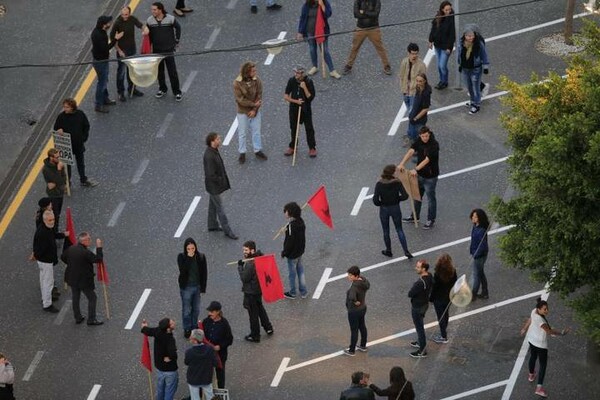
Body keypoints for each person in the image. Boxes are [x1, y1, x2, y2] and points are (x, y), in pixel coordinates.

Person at [520, 298, 570, 398]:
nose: (546, 311)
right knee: (543, 365)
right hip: (540, 345)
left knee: (533, 357)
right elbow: (549, 331)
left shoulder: (534, 311)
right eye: (544, 309)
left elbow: (530, 319)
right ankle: (539, 388)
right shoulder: (541, 321)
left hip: (531, 340)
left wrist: (524, 329)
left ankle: (531, 375)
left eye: (547, 308)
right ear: (539, 309)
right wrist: (562, 333)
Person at [399, 126, 440, 230]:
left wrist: (416, 169)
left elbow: (427, 160)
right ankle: (414, 216)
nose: (425, 138)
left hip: (430, 177)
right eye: (423, 136)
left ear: (429, 134)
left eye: (426, 136)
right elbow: (411, 151)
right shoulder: (419, 141)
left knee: (431, 199)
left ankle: (431, 219)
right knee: (417, 196)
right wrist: (402, 164)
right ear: (420, 136)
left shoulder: (434, 145)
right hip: (420, 175)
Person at [53, 98, 99, 187]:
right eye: (64, 107)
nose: (65, 109)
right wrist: (59, 130)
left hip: (78, 144)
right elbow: (56, 127)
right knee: (67, 165)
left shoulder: (80, 114)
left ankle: (83, 179)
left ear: (72, 107)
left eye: (67, 107)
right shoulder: (61, 117)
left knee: (80, 163)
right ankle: (67, 182)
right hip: (67, 145)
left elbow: (86, 126)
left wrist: (83, 138)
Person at [61, 232, 104, 326]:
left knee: (76, 297)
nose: (90, 240)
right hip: (84, 280)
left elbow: (63, 257)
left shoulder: (71, 248)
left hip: (72, 278)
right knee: (92, 298)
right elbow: (98, 259)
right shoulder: (86, 252)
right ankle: (91, 319)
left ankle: (78, 317)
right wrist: (99, 247)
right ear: (84, 241)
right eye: (89, 239)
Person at [372, 164, 413, 259]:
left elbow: (375, 200)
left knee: (386, 230)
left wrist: (381, 203)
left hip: (384, 209)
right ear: (392, 173)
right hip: (395, 208)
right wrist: (397, 199)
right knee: (399, 229)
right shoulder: (397, 182)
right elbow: (405, 196)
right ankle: (406, 251)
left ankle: (388, 250)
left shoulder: (379, 183)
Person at [203, 132, 238, 240]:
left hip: (212, 186)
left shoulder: (212, 151)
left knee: (213, 205)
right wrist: (220, 180)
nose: (220, 140)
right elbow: (210, 174)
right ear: (212, 142)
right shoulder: (210, 156)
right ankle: (228, 231)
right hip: (214, 187)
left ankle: (212, 225)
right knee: (220, 209)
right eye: (218, 139)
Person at [237, 240, 274, 342]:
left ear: (252, 250)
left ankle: (255, 335)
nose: (244, 252)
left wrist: (240, 267)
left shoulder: (250, 264)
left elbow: (245, 278)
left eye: (246, 250)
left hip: (250, 292)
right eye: (243, 250)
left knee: (253, 314)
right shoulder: (259, 258)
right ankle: (268, 327)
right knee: (260, 309)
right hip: (258, 290)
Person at [343, 0, 391, 76]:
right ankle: (349, 65)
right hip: (361, 28)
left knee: (380, 47)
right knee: (355, 47)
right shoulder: (358, 1)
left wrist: (363, 12)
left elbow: (376, 14)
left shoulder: (376, 1)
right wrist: (368, 14)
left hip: (373, 28)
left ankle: (386, 65)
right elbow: (356, 14)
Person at [146, 2, 183, 101]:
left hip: (168, 50)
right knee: (160, 72)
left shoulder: (170, 19)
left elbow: (178, 27)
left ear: (160, 10)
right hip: (156, 50)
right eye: (152, 9)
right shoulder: (149, 21)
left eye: (154, 10)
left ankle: (177, 92)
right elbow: (148, 35)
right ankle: (162, 89)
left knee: (172, 72)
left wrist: (177, 40)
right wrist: (148, 48)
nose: (152, 11)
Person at [32, 210, 67, 313]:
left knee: (43, 280)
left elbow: (54, 235)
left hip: (43, 261)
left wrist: (63, 234)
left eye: (53, 219)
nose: (52, 222)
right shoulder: (43, 233)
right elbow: (39, 249)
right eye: (50, 220)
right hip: (46, 261)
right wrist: (37, 255)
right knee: (48, 282)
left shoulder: (46, 228)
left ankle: (45, 298)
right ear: (44, 220)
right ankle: (47, 304)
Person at [296, 0, 341, 79]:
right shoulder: (306, 5)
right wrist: (300, 32)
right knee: (312, 49)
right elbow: (302, 18)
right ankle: (314, 66)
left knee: (325, 51)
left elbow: (328, 14)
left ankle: (332, 70)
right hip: (309, 31)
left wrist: (322, 5)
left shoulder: (324, 2)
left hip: (321, 32)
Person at [233, 61, 268, 163]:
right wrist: (253, 105)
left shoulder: (257, 80)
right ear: (247, 72)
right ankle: (242, 152)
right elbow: (240, 100)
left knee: (256, 132)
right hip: (242, 112)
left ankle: (257, 150)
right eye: (253, 71)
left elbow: (259, 95)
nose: (255, 72)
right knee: (242, 133)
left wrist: (254, 110)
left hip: (255, 110)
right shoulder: (237, 83)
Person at [110, 6, 147, 101]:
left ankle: (132, 89)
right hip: (122, 51)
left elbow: (140, 25)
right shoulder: (117, 23)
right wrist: (119, 50)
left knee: (132, 71)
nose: (124, 16)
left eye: (126, 15)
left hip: (132, 49)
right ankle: (120, 92)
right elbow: (112, 38)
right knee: (121, 73)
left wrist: (145, 29)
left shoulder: (132, 19)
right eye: (122, 15)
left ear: (129, 13)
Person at [283, 66, 318, 158]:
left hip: (305, 109)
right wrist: (296, 101)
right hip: (294, 108)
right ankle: (293, 146)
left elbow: (310, 97)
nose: (295, 75)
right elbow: (286, 96)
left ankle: (312, 148)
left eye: (297, 73)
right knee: (294, 128)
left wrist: (305, 87)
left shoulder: (309, 82)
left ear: (302, 74)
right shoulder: (291, 80)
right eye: (295, 72)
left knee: (309, 128)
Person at [91, 16, 123, 113]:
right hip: (101, 62)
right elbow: (106, 48)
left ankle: (105, 99)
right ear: (104, 24)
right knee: (102, 83)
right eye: (109, 23)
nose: (110, 24)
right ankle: (98, 105)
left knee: (104, 80)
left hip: (101, 59)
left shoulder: (99, 31)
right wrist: (115, 39)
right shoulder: (99, 35)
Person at [141, 318, 179, 400]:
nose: (174, 323)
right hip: (170, 370)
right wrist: (170, 357)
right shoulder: (170, 339)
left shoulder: (157, 331)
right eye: (172, 323)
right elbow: (173, 354)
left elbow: (148, 331)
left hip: (159, 367)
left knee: (160, 389)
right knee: (169, 391)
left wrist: (144, 327)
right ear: (168, 328)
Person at [177, 238, 208, 339]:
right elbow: (183, 271)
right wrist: (189, 259)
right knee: (186, 310)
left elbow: (204, 273)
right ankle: (187, 328)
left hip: (197, 286)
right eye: (188, 248)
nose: (191, 250)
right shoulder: (181, 257)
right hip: (186, 287)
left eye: (193, 248)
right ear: (185, 249)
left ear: (195, 247)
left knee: (196, 309)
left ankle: (194, 326)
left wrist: (203, 288)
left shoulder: (201, 257)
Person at [457, 23, 489, 114]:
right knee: (469, 87)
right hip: (465, 68)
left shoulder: (478, 44)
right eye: (468, 36)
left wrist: (485, 66)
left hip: (476, 69)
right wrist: (460, 65)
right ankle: (472, 101)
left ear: (475, 35)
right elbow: (460, 55)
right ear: (464, 35)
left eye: (471, 36)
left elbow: (484, 55)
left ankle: (477, 104)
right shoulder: (461, 42)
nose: (470, 38)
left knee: (476, 87)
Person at [200, 301, 233, 388]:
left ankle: (220, 391)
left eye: (212, 312)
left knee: (220, 372)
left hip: (219, 354)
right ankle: (204, 391)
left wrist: (220, 346)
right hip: (207, 352)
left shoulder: (224, 323)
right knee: (205, 372)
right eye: (209, 311)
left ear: (218, 312)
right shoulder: (206, 321)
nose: (209, 313)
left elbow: (229, 339)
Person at [399, 43, 427, 146]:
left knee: (411, 115)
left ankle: (411, 136)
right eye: (412, 53)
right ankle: (413, 134)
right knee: (411, 114)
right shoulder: (404, 62)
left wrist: (418, 93)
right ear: (408, 53)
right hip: (406, 92)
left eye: (416, 53)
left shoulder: (421, 65)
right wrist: (403, 89)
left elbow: (423, 80)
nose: (414, 55)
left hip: (414, 94)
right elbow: (401, 76)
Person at [281, 202, 308, 299]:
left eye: (286, 211)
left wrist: (284, 252)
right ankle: (304, 292)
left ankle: (292, 292)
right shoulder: (301, 222)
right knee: (300, 271)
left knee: (292, 274)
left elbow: (289, 242)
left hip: (292, 255)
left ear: (290, 213)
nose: (285, 213)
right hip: (300, 252)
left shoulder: (291, 226)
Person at [429, 253, 457, 344]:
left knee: (440, 317)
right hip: (448, 297)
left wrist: (431, 298)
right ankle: (444, 330)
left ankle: (443, 336)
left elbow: (434, 288)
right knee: (446, 314)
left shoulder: (437, 274)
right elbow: (455, 284)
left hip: (438, 298)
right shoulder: (453, 272)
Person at [408, 259, 433, 358]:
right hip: (424, 304)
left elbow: (410, 293)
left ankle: (422, 350)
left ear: (423, 269)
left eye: (418, 267)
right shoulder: (430, 276)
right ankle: (420, 342)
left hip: (417, 306)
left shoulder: (420, 283)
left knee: (419, 328)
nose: (416, 268)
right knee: (420, 325)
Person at [428, 1, 456, 90]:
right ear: (442, 9)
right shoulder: (438, 17)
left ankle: (445, 81)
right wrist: (430, 40)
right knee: (439, 65)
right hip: (438, 45)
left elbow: (452, 34)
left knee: (442, 65)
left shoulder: (451, 18)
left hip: (445, 47)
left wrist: (449, 47)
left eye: (449, 9)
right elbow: (433, 29)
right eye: (446, 10)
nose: (448, 11)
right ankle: (442, 80)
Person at [343, 266, 370, 356]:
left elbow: (351, 296)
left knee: (354, 330)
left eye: (350, 275)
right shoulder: (363, 281)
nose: (348, 277)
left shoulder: (354, 286)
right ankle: (363, 345)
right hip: (362, 308)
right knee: (362, 326)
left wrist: (355, 301)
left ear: (356, 276)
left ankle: (351, 350)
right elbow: (368, 284)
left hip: (354, 311)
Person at [185, 329, 218, 400]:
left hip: (193, 378)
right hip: (206, 378)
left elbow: (186, 362)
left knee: (195, 397)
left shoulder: (189, 352)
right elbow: (215, 362)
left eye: (191, 336)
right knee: (210, 396)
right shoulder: (210, 349)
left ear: (195, 340)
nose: (189, 338)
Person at [41, 148, 66, 229]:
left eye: (59, 157)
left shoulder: (59, 164)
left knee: (58, 213)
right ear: (51, 158)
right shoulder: (46, 169)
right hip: (53, 194)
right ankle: (54, 231)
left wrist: (57, 181)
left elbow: (63, 179)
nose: (58, 159)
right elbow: (58, 180)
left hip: (60, 192)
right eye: (57, 157)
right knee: (54, 214)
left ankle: (55, 229)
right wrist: (58, 170)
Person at [469, 208, 489, 300]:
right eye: (473, 216)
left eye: (475, 217)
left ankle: (473, 294)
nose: (473, 218)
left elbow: (482, 245)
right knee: (480, 273)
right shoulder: (476, 226)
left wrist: (475, 254)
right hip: (477, 254)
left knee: (476, 275)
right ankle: (485, 292)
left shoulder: (481, 230)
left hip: (479, 256)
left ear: (480, 218)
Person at [406, 73, 431, 143]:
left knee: (419, 136)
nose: (418, 83)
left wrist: (416, 118)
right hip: (414, 115)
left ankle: (419, 150)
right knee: (413, 134)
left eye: (420, 81)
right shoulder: (418, 88)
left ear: (425, 81)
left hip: (419, 119)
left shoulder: (426, 93)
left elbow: (426, 108)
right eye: (417, 81)